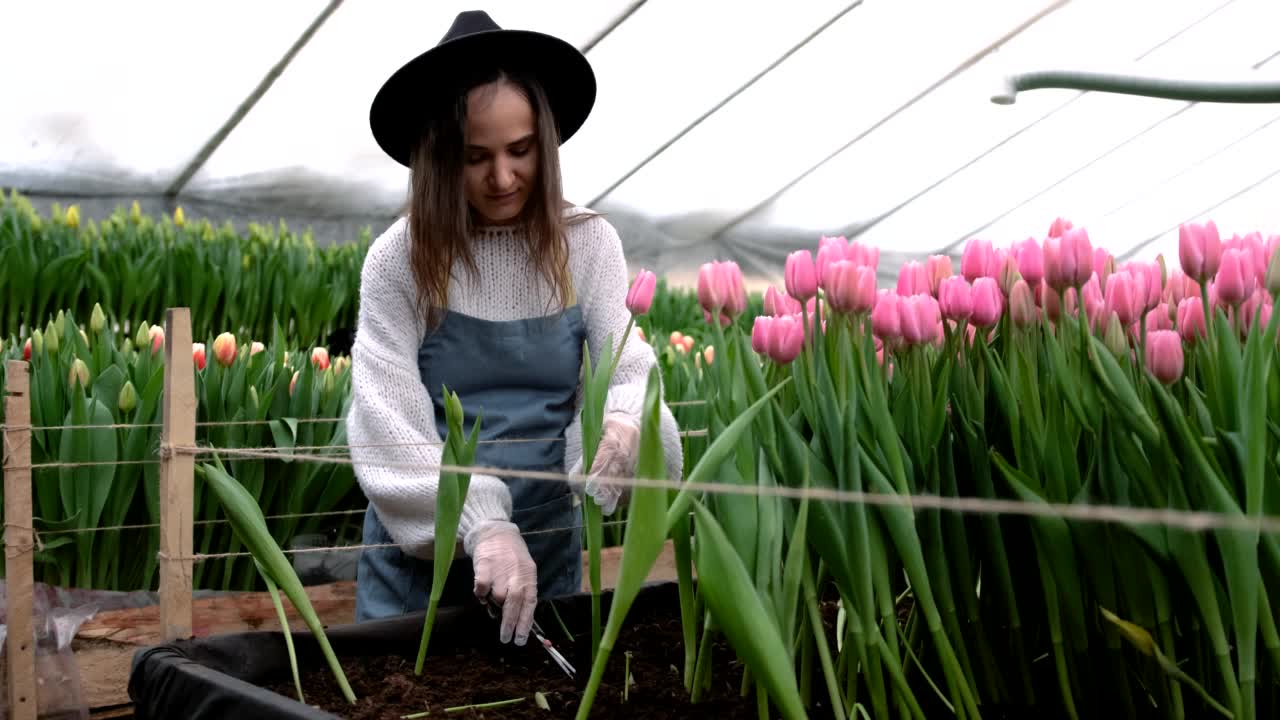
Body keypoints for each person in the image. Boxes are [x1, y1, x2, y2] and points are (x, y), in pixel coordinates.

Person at [346, 10, 684, 648]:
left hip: (547, 548)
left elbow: (630, 369)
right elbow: (385, 425)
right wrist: (481, 522)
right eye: (475, 158)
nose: (501, 178)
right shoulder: (401, 258)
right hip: (422, 561)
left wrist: (623, 423)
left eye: (520, 150)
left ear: (546, 142)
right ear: (439, 157)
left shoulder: (588, 246)